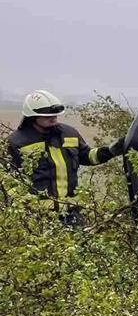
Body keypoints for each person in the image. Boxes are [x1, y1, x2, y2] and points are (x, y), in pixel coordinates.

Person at [6, 90, 126, 223]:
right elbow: (6, 179)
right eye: (47, 117)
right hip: (37, 218)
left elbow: (88, 156)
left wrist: (110, 151)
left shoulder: (69, 133)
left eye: (55, 116)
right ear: (32, 117)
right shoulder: (16, 142)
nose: (53, 119)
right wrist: (24, 205)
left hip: (72, 215)